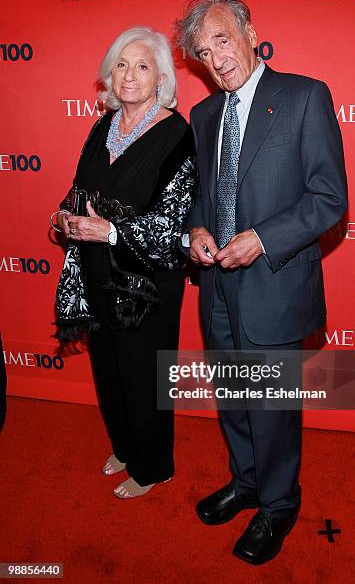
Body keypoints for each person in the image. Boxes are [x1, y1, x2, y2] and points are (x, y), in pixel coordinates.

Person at [175, 0, 347, 564]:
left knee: (270, 405)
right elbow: (203, 193)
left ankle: (278, 505)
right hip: (217, 287)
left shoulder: (303, 97)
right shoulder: (202, 116)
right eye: (203, 53)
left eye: (222, 40)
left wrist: (264, 238)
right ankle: (246, 483)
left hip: (274, 282)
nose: (216, 60)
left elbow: (328, 199)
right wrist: (198, 228)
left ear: (249, 30)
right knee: (233, 397)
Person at [51, 27, 196, 499]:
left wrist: (110, 231)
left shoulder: (176, 134)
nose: (129, 76)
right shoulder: (101, 127)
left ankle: (154, 466)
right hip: (96, 274)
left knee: (142, 375)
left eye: (142, 66)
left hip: (147, 286)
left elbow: (171, 225)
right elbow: (79, 191)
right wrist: (64, 216)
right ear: (109, 76)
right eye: (121, 65)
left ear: (160, 78)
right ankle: (126, 447)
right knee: (109, 373)